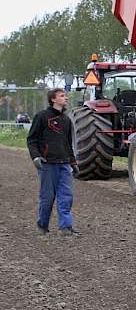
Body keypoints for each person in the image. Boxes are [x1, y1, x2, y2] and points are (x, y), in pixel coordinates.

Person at [26, 89, 80, 236]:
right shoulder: (41, 117)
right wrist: (36, 157)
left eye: (65, 95)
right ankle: (42, 225)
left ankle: (65, 227)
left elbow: (68, 144)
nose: (66, 98)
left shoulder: (67, 120)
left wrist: (73, 162)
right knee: (47, 197)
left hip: (64, 164)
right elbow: (32, 139)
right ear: (53, 99)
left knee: (66, 196)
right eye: (62, 96)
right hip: (47, 164)